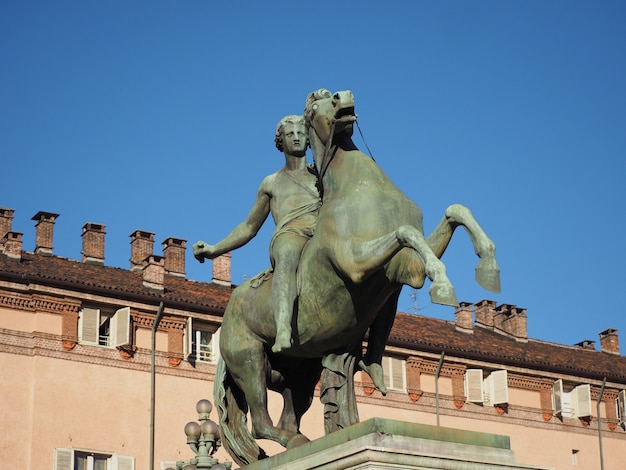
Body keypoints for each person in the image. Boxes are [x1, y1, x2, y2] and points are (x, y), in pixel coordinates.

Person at [193, 115, 321, 353]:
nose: (296, 138)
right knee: (287, 252)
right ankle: (283, 328)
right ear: (280, 141)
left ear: (309, 140)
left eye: (301, 133)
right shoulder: (271, 183)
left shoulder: (320, 176)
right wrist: (214, 249)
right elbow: (249, 227)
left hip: (321, 233)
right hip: (290, 235)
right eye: (290, 134)